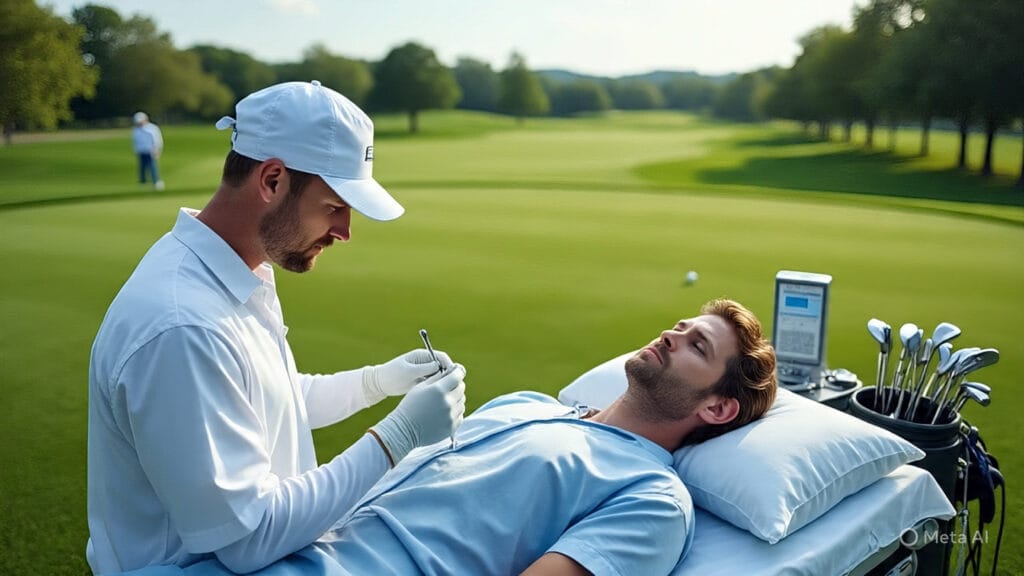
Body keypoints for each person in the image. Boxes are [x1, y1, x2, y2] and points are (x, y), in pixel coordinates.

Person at [88, 81, 468, 575]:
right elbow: (248, 538)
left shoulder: (239, 270)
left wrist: (380, 381)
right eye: (334, 206)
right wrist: (397, 436)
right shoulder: (184, 325)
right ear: (271, 180)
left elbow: (272, 404)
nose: (345, 232)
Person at [127, 298, 777, 576]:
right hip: (275, 546)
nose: (670, 333)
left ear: (717, 410)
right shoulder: (529, 404)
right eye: (679, 324)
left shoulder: (653, 498)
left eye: (696, 345)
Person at [132, 111, 165, 190]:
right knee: (142, 168)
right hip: (141, 151)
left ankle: (156, 182)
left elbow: (157, 139)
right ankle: (142, 183)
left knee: (152, 167)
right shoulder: (136, 130)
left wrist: (157, 149)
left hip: (151, 151)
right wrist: (136, 150)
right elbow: (135, 141)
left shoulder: (152, 128)